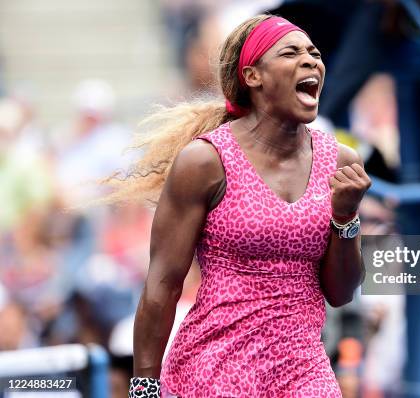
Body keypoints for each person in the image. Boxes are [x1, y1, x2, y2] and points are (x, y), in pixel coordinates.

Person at [99, 14, 370, 397]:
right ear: (253, 76)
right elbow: (162, 285)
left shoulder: (341, 162)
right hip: (214, 369)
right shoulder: (204, 162)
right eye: (291, 53)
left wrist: (346, 217)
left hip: (304, 370)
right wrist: (144, 387)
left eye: (314, 53)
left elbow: (341, 293)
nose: (310, 60)